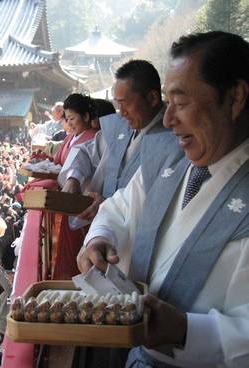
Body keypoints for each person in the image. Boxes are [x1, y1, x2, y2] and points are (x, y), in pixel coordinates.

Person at [77, 31, 249, 367]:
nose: (168, 121)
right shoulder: (168, 159)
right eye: (168, 104)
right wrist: (100, 238)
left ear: (236, 97)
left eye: (181, 103)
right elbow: (121, 207)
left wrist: (186, 331)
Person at [59, 60, 176, 222]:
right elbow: (86, 151)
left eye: (125, 103)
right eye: (118, 104)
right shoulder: (120, 126)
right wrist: (74, 178)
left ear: (152, 98)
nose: (121, 113)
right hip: (103, 225)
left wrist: (109, 205)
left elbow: (161, 201)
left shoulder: (173, 138)